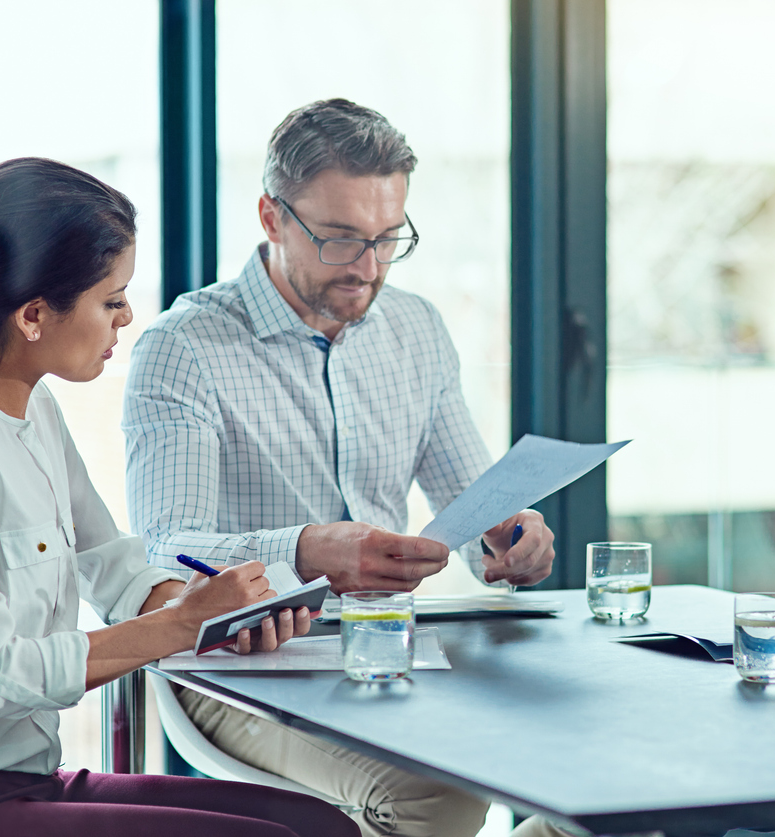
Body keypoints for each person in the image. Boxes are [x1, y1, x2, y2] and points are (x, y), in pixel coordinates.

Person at [0, 157, 358, 837]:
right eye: (112, 300)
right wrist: (181, 624)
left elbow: (111, 564)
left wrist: (216, 613)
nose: (128, 316)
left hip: (22, 779)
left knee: (319, 825)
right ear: (33, 314)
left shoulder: (34, 408)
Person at [123, 98, 557, 837]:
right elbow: (164, 548)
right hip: (235, 666)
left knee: (613, 767)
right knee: (437, 799)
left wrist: (510, 536)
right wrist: (306, 551)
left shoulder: (416, 327)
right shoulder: (183, 347)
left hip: (392, 647)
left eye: (389, 239)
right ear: (272, 217)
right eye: (341, 239)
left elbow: (473, 501)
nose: (368, 267)